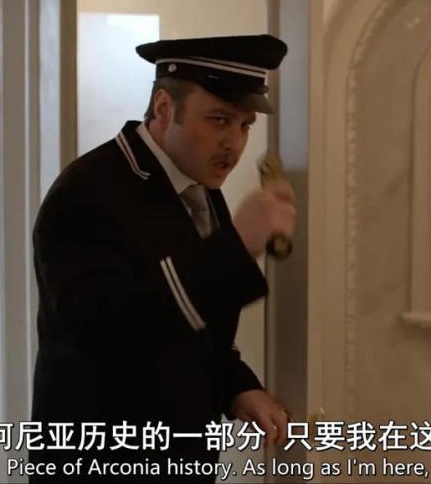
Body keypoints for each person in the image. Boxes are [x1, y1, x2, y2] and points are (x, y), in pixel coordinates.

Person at [27, 34, 296, 483]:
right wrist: (237, 247)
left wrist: (238, 386)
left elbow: (193, 327)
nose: (234, 143)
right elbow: (108, 334)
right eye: (219, 120)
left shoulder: (198, 186)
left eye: (245, 125)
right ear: (164, 108)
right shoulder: (86, 193)